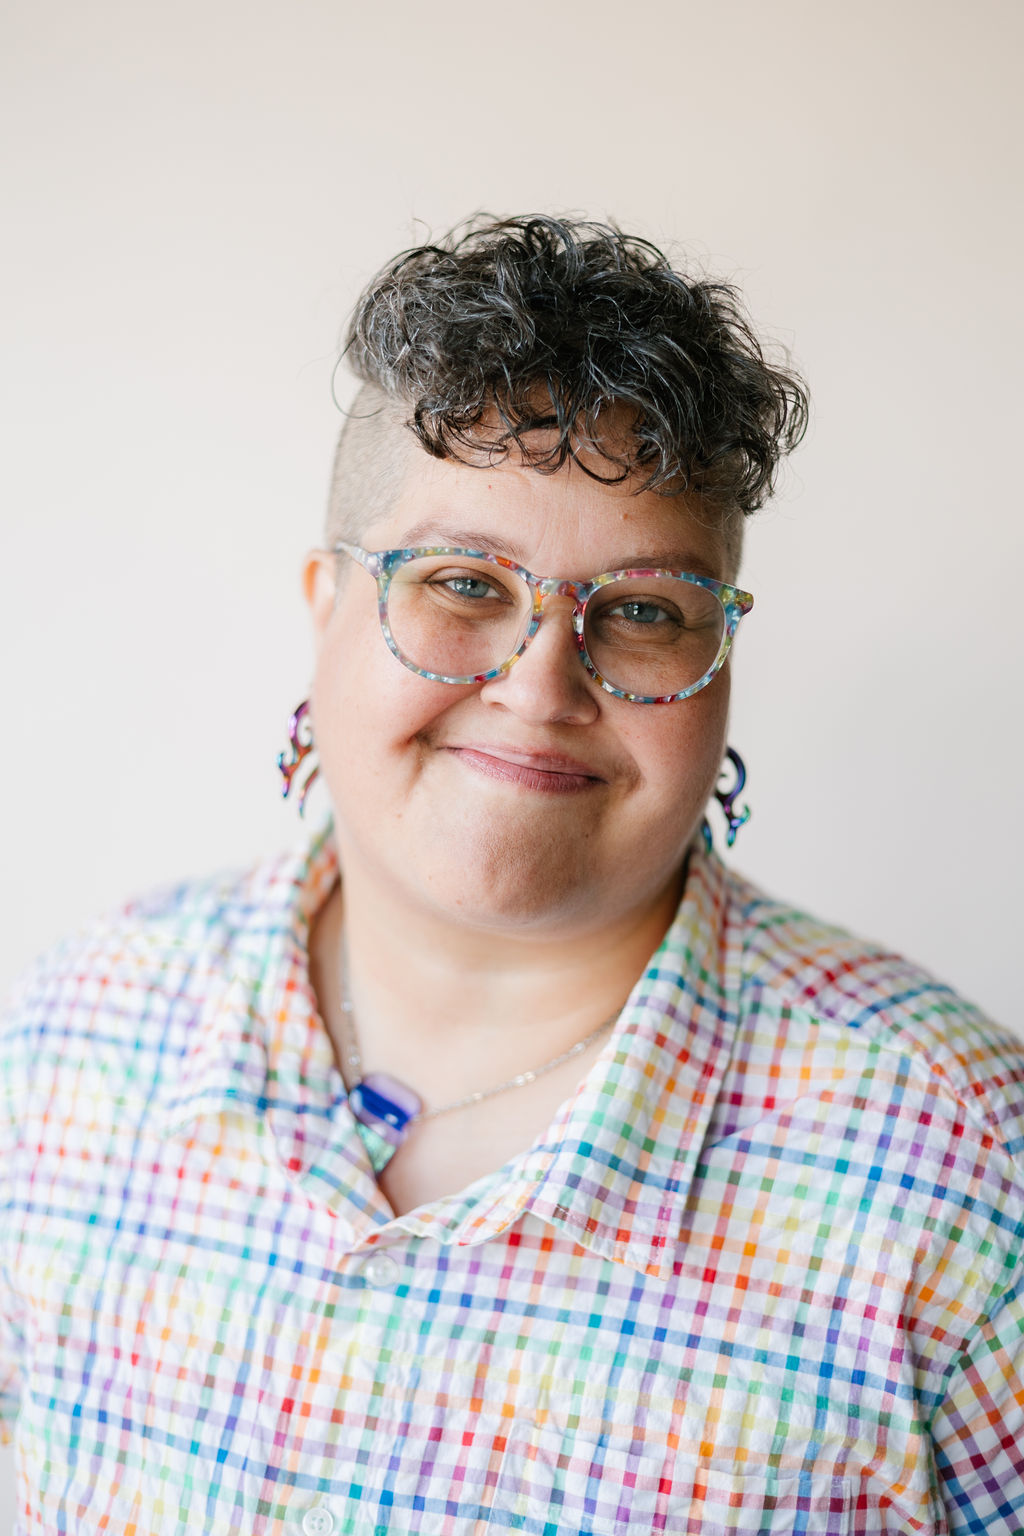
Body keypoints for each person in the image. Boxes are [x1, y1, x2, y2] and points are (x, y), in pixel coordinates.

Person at [2, 215, 1022, 1536]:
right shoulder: (71, 1042)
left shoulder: (965, 1173)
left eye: (646, 607)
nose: (540, 686)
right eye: (464, 582)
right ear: (325, 606)